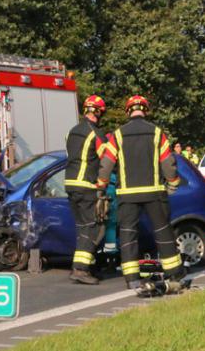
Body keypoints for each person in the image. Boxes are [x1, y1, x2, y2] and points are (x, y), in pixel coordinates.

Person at [98, 95, 186, 295]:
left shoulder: (118, 135)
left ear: (128, 111)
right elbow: (168, 163)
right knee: (163, 232)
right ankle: (173, 273)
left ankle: (132, 279)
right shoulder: (156, 133)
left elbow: (107, 163)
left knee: (128, 235)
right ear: (145, 110)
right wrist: (173, 184)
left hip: (127, 195)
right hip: (154, 192)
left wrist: (101, 185)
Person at [64, 95, 112, 285]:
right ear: (99, 112)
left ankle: (86, 266)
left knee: (82, 227)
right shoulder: (96, 133)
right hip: (87, 186)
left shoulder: (72, 131)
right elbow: (107, 160)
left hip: (70, 184)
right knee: (92, 227)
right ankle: (81, 269)